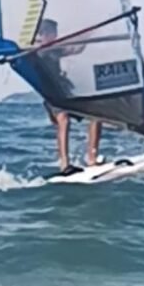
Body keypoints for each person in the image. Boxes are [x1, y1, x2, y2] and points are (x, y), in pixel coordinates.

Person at [33, 18, 102, 172]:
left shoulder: (55, 49)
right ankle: (65, 164)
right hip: (52, 96)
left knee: (97, 114)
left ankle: (92, 158)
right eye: (52, 33)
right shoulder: (36, 51)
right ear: (44, 34)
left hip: (65, 92)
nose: (56, 36)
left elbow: (76, 49)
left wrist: (89, 33)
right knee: (63, 119)